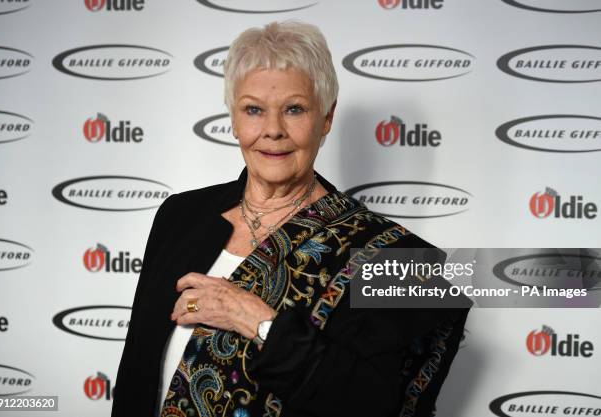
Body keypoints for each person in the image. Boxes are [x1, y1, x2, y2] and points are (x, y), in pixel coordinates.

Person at [111, 20, 469, 417]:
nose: (273, 131)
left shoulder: (392, 259)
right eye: (253, 110)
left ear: (327, 118)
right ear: (233, 118)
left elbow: (369, 405)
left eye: (294, 109)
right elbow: (135, 375)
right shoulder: (180, 217)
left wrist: (257, 319)